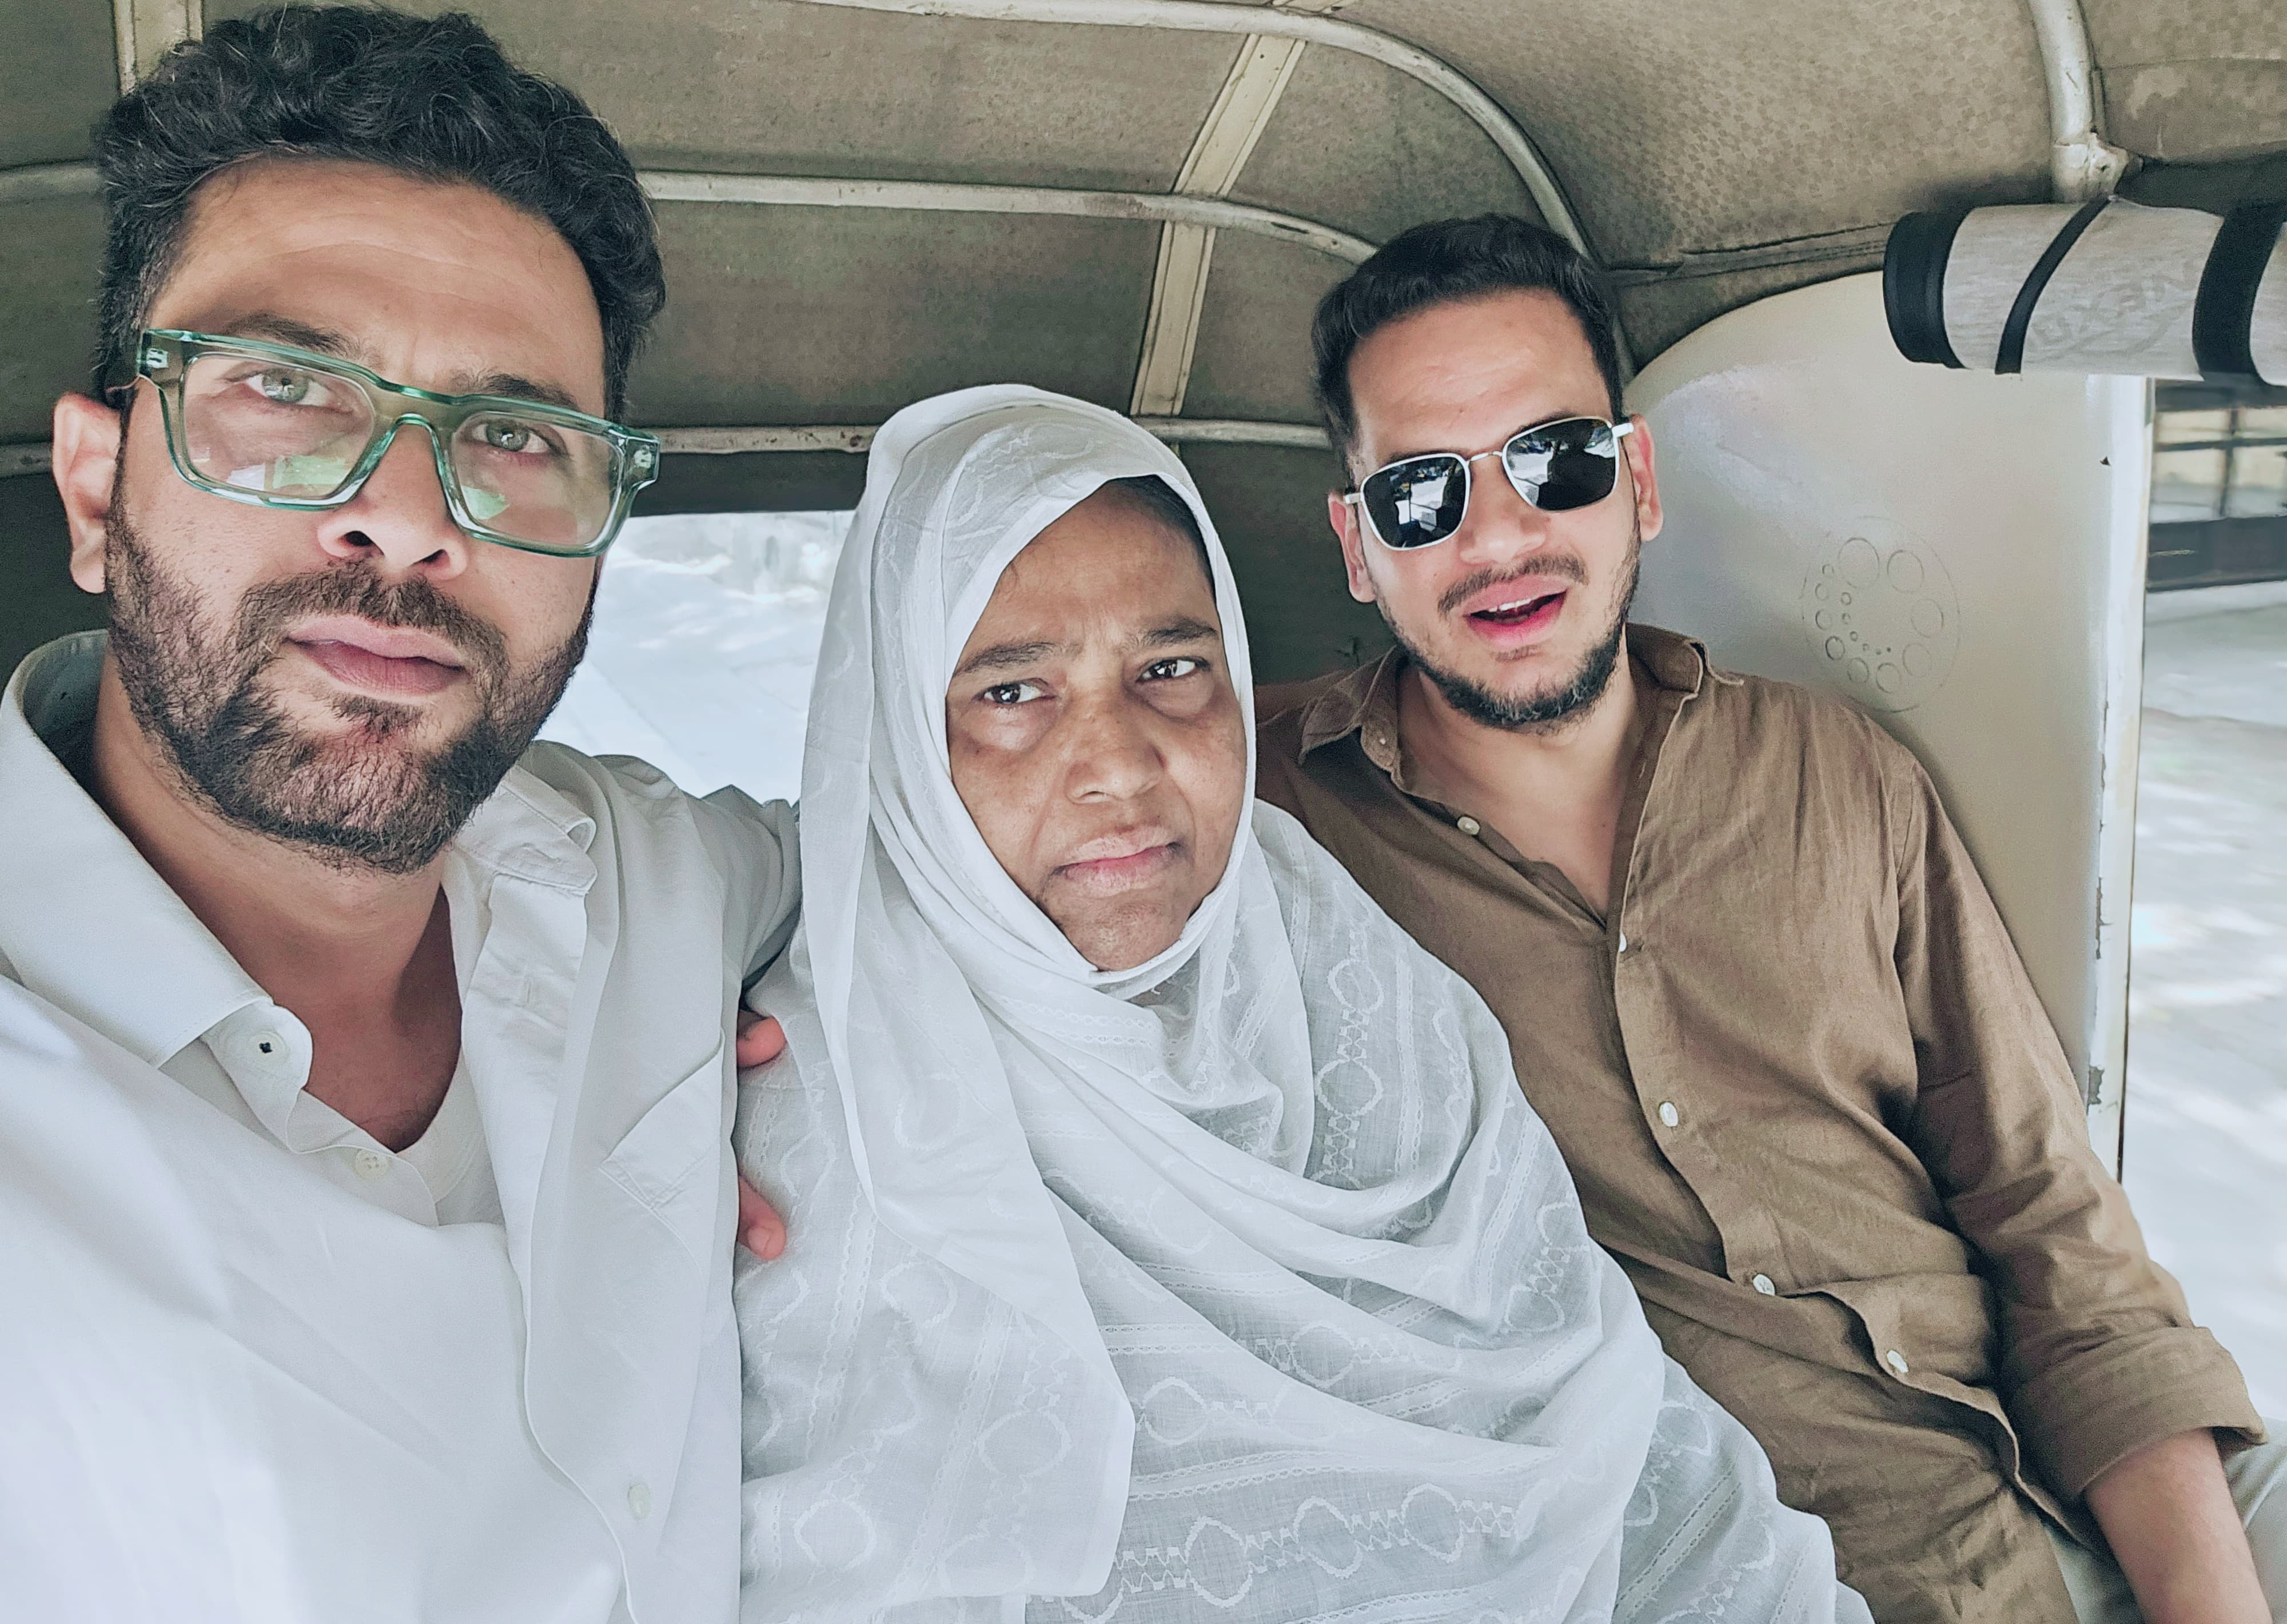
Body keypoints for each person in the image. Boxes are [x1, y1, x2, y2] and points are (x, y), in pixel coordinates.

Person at [1252, 213, 2286, 1624]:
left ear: (1640, 484)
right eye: (1421, 494)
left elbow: (2047, 1218)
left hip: (2067, 1476)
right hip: (1737, 1567)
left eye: (1553, 461)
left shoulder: (1838, 773)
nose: (1497, 536)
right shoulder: (1261, 819)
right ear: (1359, 546)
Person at [730, 384, 1872, 1622]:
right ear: (897, 739)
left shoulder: (1352, 980)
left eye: (1171, 668)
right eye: (1011, 693)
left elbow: (1608, 1423)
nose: (1118, 764)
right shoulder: (811, 1103)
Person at [0, 6, 796, 1622]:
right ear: (97, 492)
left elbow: (961, 863)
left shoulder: (652, 874)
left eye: (516, 437)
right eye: (286, 387)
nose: (405, 519)